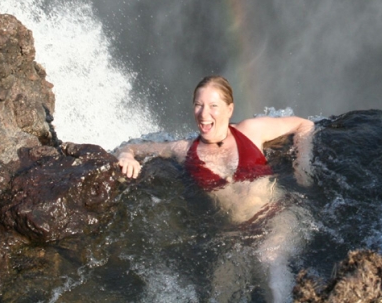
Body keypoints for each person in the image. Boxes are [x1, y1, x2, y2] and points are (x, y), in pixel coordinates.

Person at [115, 75, 316, 302]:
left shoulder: (250, 130)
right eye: (198, 105)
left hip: (275, 219)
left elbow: (304, 124)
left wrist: (302, 165)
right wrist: (126, 156)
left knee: (269, 262)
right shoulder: (183, 150)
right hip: (233, 236)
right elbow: (131, 147)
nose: (203, 114)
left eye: (213, 106)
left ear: (229, 109)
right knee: (218, 292)